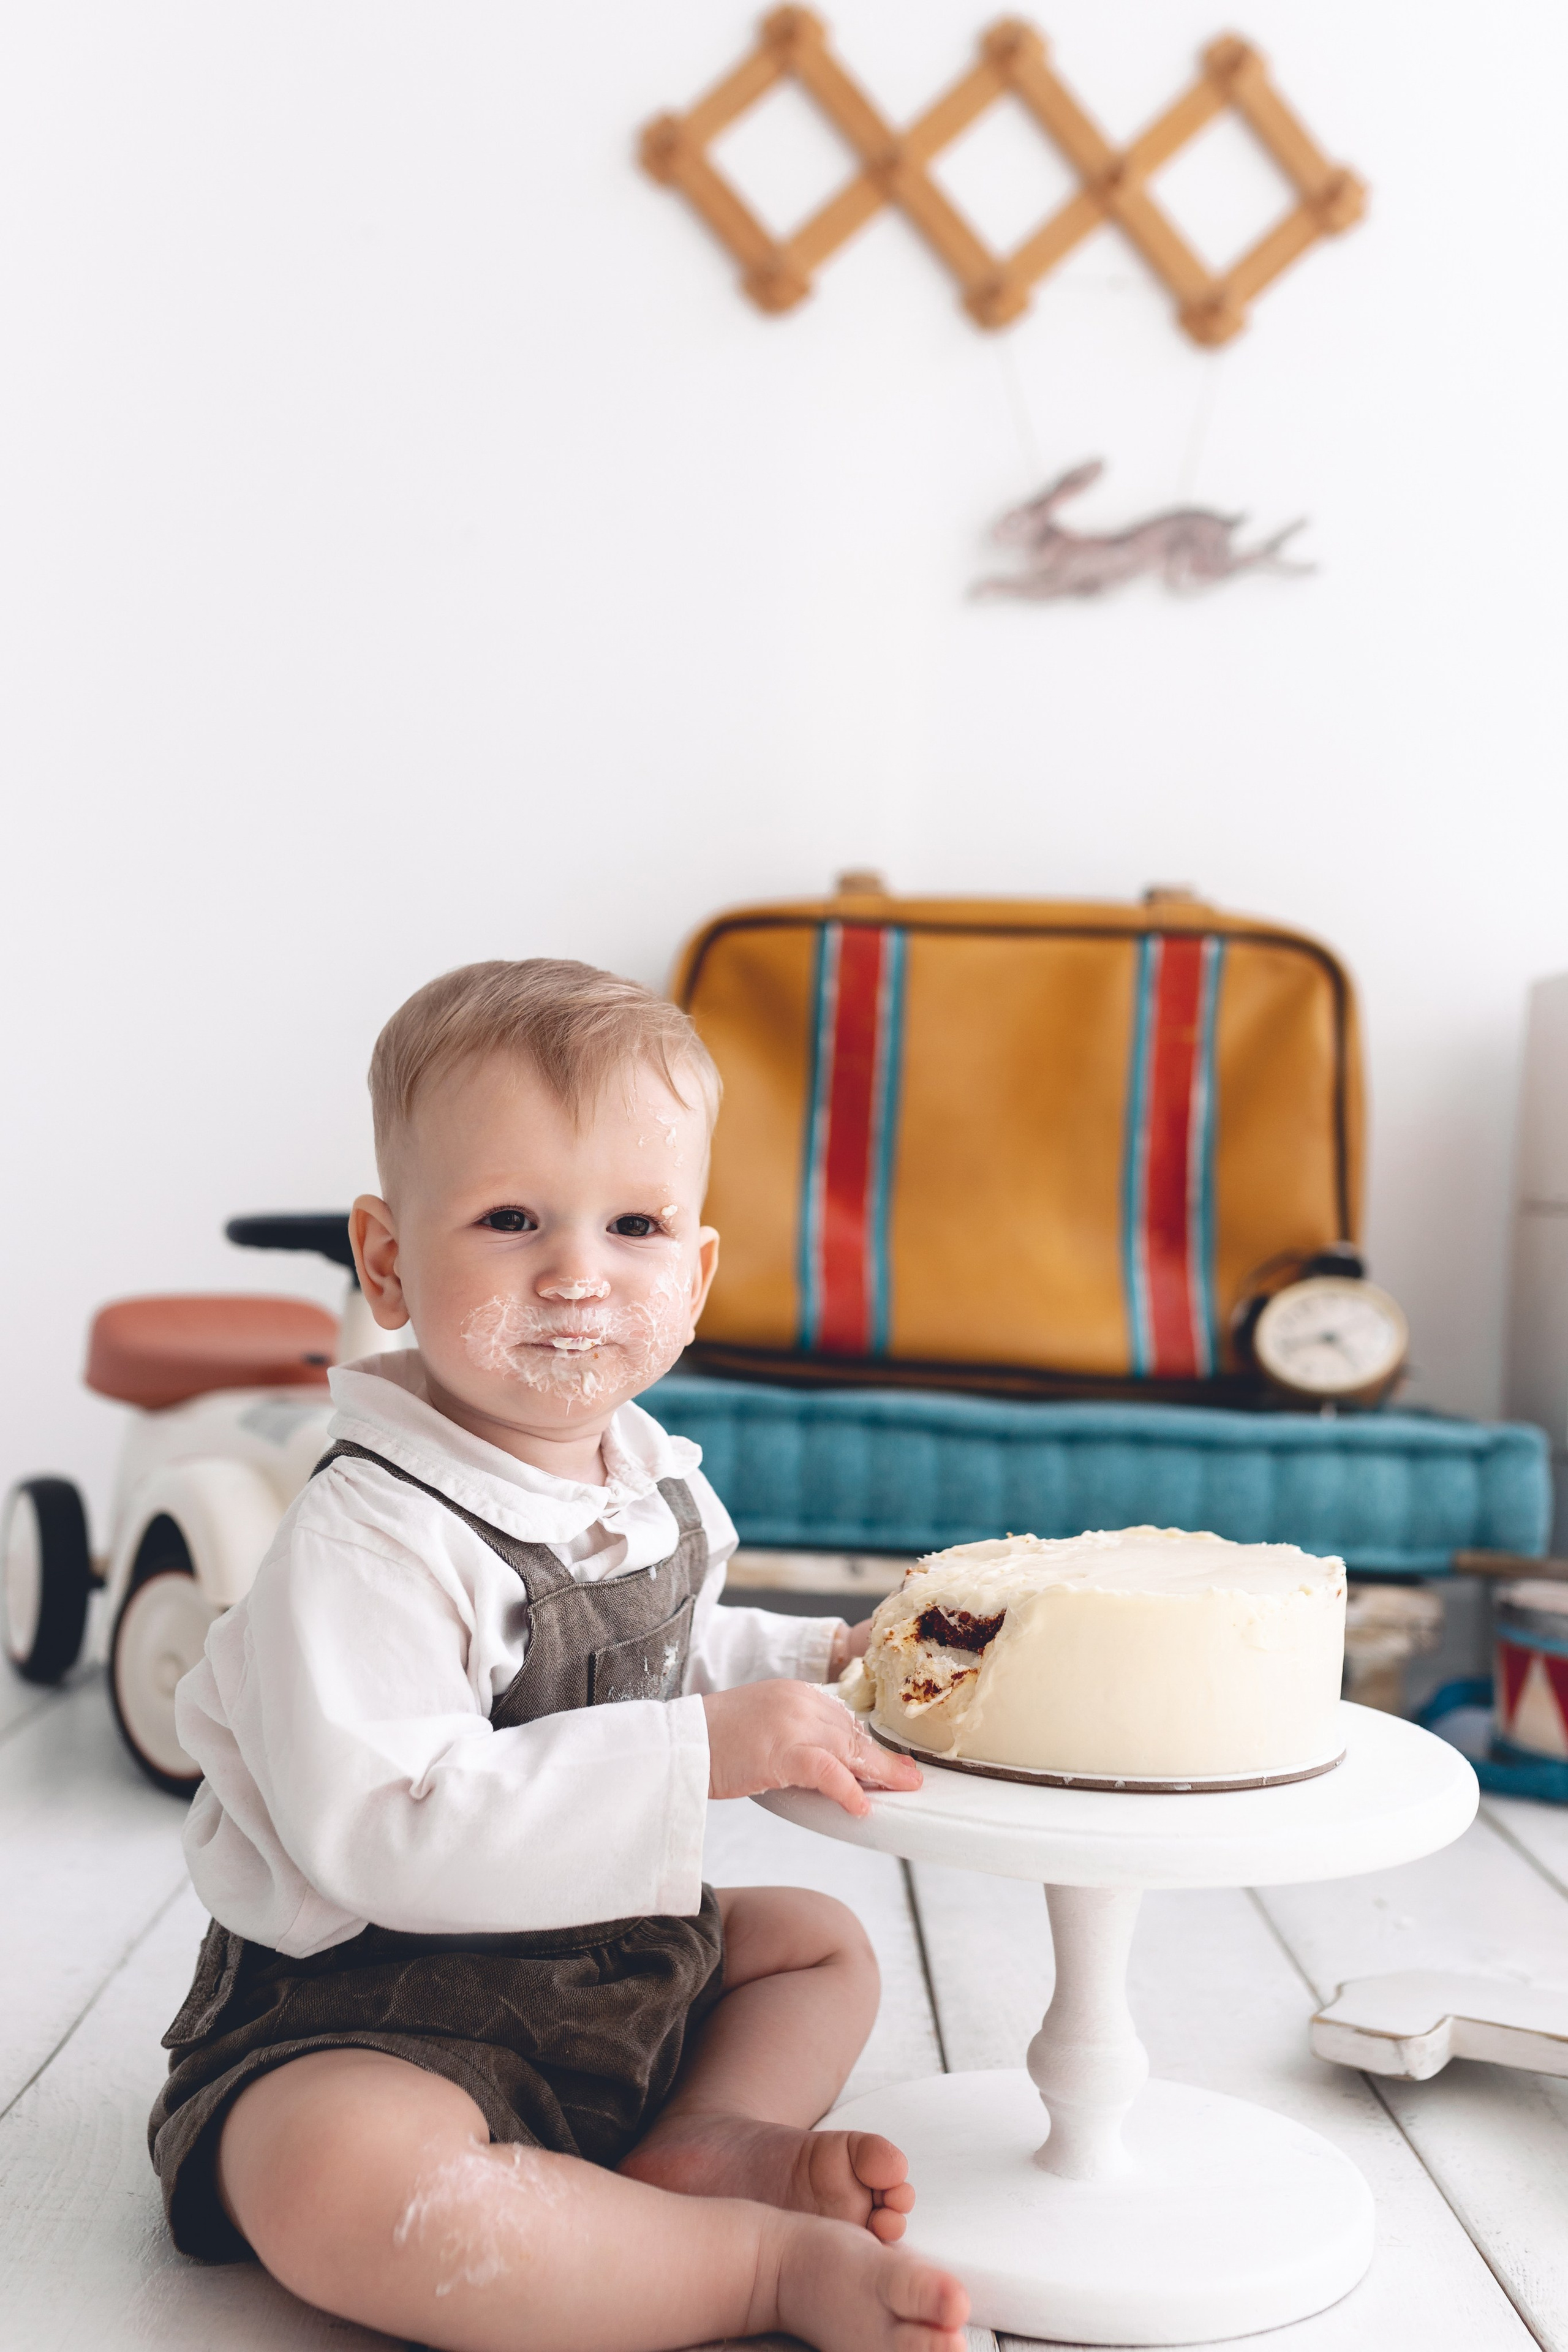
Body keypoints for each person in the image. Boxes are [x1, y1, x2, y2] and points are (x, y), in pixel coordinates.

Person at [149, 957, 970, 2352]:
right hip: (374, 2007)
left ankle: (709, 2137)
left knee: (815, 1950)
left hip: (600, 1976)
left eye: (635, 1225)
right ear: (390, 1260)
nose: (577, 1274)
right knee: (334, 2173)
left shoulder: (644, 1483)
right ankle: (745, 2271)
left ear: (696, 1273)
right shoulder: (366, 1539)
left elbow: (672, 1652)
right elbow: (387, 1831)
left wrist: (820, 1662)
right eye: (512, 1218)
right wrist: (709, 1754)